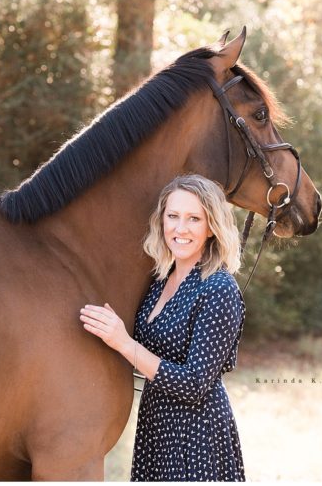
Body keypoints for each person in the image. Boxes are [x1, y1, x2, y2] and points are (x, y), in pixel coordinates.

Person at [79, 174, 246, 481]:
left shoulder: (218, 288)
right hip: (156, 427)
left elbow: (195, 384)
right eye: (173, 216)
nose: (180, 228)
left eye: (194, 218)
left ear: (212, 228)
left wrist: (123, 342)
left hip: (197, 436)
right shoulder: (160, 281)